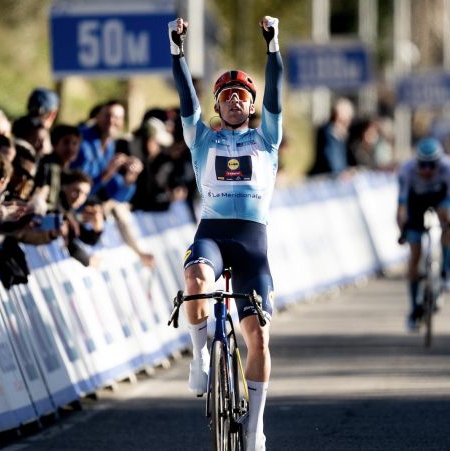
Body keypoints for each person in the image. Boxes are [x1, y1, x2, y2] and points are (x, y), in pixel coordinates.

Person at [169, 14, 282, 451]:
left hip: (252, 244)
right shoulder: (201, 139)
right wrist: (177, 51)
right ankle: (200, 356)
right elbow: (185, 99)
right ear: (217, 107)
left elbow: (276, 91)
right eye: (226, 97)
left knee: (258, 337)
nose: (235, 100)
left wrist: (273, 47)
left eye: (242, 96)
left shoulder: (267, 138)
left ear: (252, 107)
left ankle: (255, 428)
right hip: (213, 235)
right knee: (195, 279)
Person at [396, 137, 450, 332]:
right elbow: (401, 208)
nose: (426, 170)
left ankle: (445, 270)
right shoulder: (406, 171)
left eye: (432, 165)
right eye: (422, 165)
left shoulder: (449, 169)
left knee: (448, 218)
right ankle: (414, 308)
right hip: (416, 203)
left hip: (440, 198)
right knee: (414, 253)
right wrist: (402, 231)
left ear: (439, 163)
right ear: (416, 162)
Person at [308, 97, 355, 177]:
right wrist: (342, 172)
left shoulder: (341, 134)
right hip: (326, 177)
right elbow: (332, 158)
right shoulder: (329, 132)